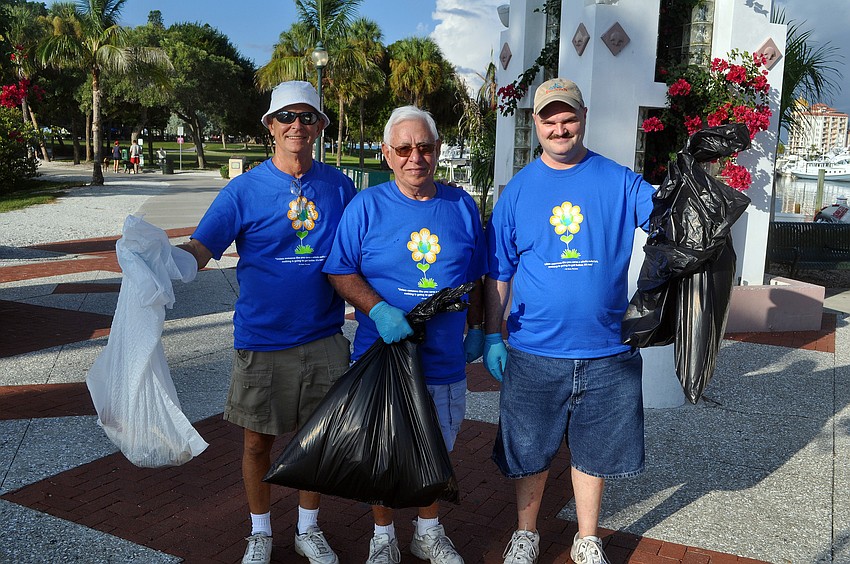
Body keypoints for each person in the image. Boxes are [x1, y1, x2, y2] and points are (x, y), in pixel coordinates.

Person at [176, 81, 357, 564]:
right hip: (262, 340)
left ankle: (307, 528)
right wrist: (163, 260)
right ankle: (260, 532)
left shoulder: (339, 186)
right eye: (286, 117)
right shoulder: (244, 190)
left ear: (320, 126)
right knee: (258, 443)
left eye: (307, 117)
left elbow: (361, 252)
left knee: (315, 442)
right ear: (270, 126)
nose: (296, 125)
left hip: (324, 338)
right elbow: (201, 247)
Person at [484, 78, 655, 564]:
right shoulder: (517, 192)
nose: (560, 128)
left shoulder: (618, 180)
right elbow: (499, 272)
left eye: (569, 117)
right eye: (549, 119)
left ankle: (587, 537)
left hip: (606, 352)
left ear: (584, 117)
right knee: (529, 452)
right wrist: (493, 335)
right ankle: (526, 533)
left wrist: (701, 180)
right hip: (534, 349)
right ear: (535, 123)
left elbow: (667, 218)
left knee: (594, 454)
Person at [323, 105, 487, 564]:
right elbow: (339, 270)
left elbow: (474, 277)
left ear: (437, 150)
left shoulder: (461, 205)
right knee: (382, 454)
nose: (416, 156)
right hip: (382, 359)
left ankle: (428, 532)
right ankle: (383, 536)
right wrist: (378, 309)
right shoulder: (367, 206)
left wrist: (478, 330)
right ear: (387, 154)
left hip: (443, 362)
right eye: (404, 148)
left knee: (436, 452)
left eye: (425, 147)